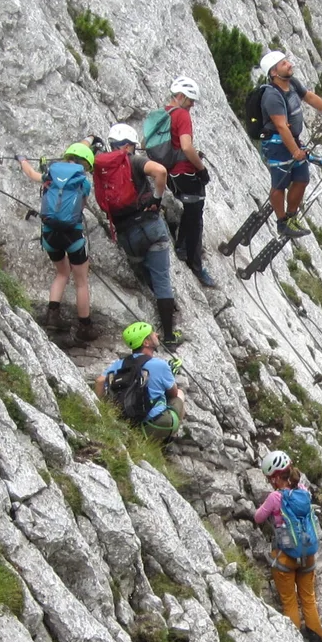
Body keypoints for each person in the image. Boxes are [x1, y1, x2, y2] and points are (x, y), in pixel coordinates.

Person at [95, 123, 180, 344]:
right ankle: (169, 335)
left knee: (146, 272)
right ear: (128, 145)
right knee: (162, 280)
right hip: (149, 226)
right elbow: (161, 171)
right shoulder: (133, 160)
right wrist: (157, 198)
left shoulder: (102, 166)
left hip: (126, 234)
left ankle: (164, 307)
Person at [255, 51, 322, 240]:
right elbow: (280, 125)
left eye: (287, 61)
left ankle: (292, 216)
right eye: (283, 64)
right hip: (276, 144)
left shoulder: (292, 84)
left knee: (302, 178)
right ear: (273, 72)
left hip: (292, 139)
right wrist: (295, 150)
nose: (289, 65)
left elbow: (310, 97)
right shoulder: (272, 96)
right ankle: (282, 222)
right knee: (279, 183)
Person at [17, 144, 100, 341]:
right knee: (81, 282)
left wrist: (22, 158)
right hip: (73, 235)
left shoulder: (50, 175)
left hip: (49, 234)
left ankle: (53, 315)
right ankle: (84, 327)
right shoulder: (83, 183)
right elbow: (82, 205)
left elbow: (30, 172)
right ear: (85, 165)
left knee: (62, 272)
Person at [253, 449, 322, 642]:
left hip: (286, 556)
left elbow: (258, 517)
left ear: (275, 478)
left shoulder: (275, 497)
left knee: (290, 600)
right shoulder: (303, 491)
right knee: (308, 598)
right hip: (308, 555)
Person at [154, 76, 217, 289]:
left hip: (170, 173)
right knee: (196, 217)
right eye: (190, 100)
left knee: (189, 210)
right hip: (185, 173)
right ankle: (195, 264)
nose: (192, 105)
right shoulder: (182, 115)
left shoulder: (163, 113)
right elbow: (187, 147)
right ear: (180, 96)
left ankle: (181, 247)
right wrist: (202, 169)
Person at [93, 322, 186, 440]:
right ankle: (168, 437)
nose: (156, 334)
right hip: (153, 424)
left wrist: (100, 409)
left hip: (127, 421)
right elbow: (172, 393)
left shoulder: (119, 364)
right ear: (146, 342)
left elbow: (100, 381)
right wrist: (169, 374)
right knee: (180, 393)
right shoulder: (161, 365)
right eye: (152, 333)